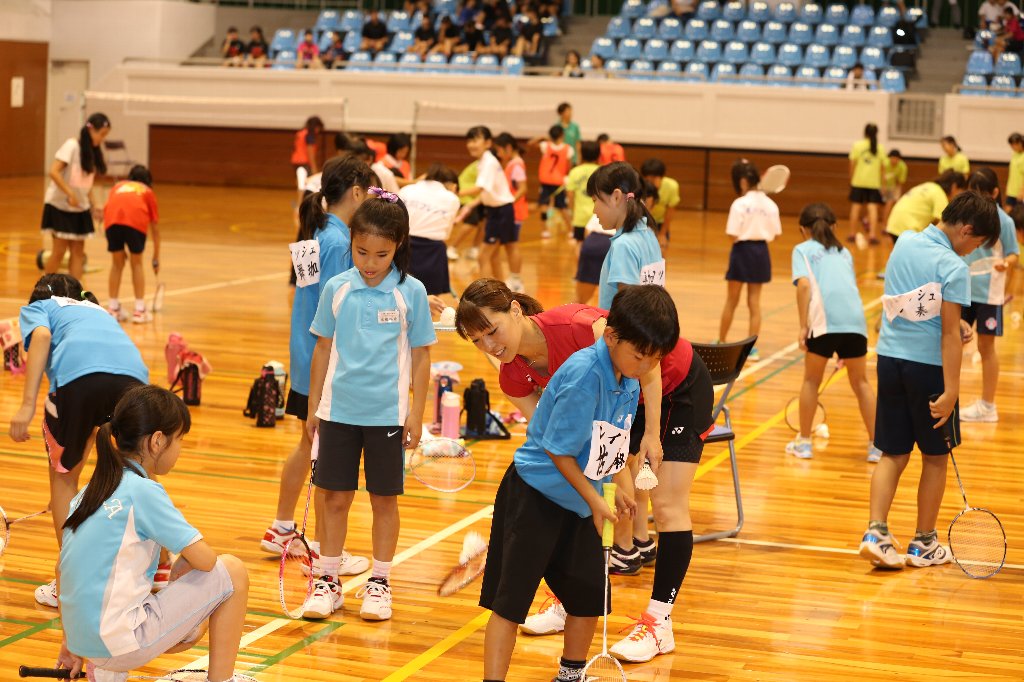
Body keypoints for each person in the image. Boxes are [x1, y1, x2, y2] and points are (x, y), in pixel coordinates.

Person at [455, 279, 713, 665]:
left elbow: (649, 365)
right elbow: (560, 444)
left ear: (515, 311)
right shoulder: (515, 375)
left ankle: (659, 621)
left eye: (493, 331)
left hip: (671, 389)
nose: (490, 345)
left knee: (667, 504)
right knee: (595, 515)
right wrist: (602, 487)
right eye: (478, 340)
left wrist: (653, 436)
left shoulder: (584, 330)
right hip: (618, 403)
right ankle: (572, 597)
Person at [54, 385, 254, 682]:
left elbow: (63, 570)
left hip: (83, 639)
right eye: (180, 440)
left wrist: (72, 641)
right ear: (158, 441)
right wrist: (183, 573)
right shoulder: (142, 491)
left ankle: (105, 668)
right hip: (122, 641)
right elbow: (208, 561)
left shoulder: (86, 493)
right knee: (233, 571)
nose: (180, 449)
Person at [304, 190, 436, 621]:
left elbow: (421, 355)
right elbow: (322, 349)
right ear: (352, 244)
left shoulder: (410, 292)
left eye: (381, 253)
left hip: (387, 416)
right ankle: (328, 580)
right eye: (361, 252)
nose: (370, 262)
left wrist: (417, 412)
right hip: (339, 411)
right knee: (335, 500)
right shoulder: (337, 288)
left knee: (384, 500)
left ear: (398, 246)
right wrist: (313, 409)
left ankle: (379, 582)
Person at [860, 191, 999, 570]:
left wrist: (958, 328)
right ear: (966, 230)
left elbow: (919, 307)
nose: (973, 252)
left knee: (893, 453)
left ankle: (876, 534)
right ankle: (924, 543)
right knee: (935, 458)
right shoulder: (954, 266)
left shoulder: (905, 241)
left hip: (889, 360)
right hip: (928, 370)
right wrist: (952, 390)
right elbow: (948, 335)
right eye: (976, 244)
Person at [262, 156, 374, 579]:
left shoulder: (317, 232)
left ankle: (281, 528)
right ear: (359, 192)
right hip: (323, 362)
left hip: (304, 354)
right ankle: (327, 555)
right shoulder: (338, 243)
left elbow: (302, 298)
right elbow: (342, 309)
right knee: (330, 460)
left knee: (308, 447)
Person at [8, 274, 148, 608]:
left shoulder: (40, 307)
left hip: (80, 380)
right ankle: (156, 563)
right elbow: (103, 391)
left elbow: (41, 336)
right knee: (139, 468)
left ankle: (70, 581)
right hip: (135, 379)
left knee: (63, 476)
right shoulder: (98, 311)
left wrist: (27, 405)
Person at [786, 204, 879, 461]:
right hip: (855, 322)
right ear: (835, 227)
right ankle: (876, 446)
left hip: (824, 323)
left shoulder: (801, 250)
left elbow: (803, 286)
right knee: (861, 383)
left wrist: (803, 325)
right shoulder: (844, 251)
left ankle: (804, 443)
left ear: (803, 230)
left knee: (811, 381)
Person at [959, 168, 1020, 423]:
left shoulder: (1003, 220)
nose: (979, 197)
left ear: (995, 193)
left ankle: (987, 406)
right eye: (974, 191)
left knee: (986, 347)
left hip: (989, 294)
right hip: (962, 290)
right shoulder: (964, 215)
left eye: (984, 192)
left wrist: (1006, 264)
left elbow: (1014, 253)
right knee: (951, 342)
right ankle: (945, 398)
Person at [717, 160, 782, 360]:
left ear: (743, 181)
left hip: (742, 251)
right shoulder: (770, 204)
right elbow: (777, 234)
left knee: (732, 299)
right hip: (762, 252)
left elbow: (732, 234)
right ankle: (752, 349)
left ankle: (721, 341)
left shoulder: (740, 204)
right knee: (754, 302)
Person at [42, 112, 111, 280]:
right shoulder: (72, 145)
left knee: (78, 252)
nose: (102, 139)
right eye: (101, 134)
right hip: (60, 206)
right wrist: (69, 194)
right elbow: (53, 172)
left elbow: (85, 185)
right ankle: (44, 292)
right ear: (90, 130)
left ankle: (75, 297)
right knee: (59, 251)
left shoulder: (92, 152)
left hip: (80, 207)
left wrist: (94, 206)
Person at [590, 163, 665, 311]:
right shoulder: (649, 234)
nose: (594, 210)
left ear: (616, 197)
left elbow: (628, 312)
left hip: (623, 333)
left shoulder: (623, 245)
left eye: (595, 201)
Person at [458, 126, 522, 289]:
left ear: (487, 143)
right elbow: (487, 191)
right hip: (497, 211)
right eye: (470, 140)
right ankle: (503, 289)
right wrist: (471, 205)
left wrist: (455, 192)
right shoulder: (484, 162)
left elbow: (480, 188)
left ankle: (487, 292)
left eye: (476, 140)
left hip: (502, 211)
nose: (472, 144)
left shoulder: (489, 162)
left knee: (484, 256)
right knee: (493, 255)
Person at [103, 165, 159, 324]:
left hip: (111, 223)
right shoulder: (147, 191)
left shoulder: (117, 186)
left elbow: (107, 210)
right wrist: (156, 257)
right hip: (135, 223)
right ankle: (140, 310)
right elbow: (155, 228)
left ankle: (113, 308)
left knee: (117, 263)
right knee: (137, 264)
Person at [400, 164, 461, 297]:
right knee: (430, 300)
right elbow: (446, 234)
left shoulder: (406, 190)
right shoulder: (452, 199)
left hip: (402, 246)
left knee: (401, 294)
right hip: (433, 251)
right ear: (452, 184)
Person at [885, 170, 966, 244]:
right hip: (907, 228)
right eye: (961, 191)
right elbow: (944, 223)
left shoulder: (929, 185)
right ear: (954, 186)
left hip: (894, 225)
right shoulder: (940, 194)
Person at [848, 123, 886, 245]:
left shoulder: (857, 145)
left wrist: (851, 178)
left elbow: (852, 163)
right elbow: (882, 168)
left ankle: (852, 234)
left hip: (858, 181)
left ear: (865, 133)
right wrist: (883, 183)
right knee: (872, 209)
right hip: (873, 183)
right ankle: (872, 235)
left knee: (856, 208)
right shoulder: (880, 148)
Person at [531, 125, 571, 237]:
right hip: (558, 181)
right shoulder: (568, 149)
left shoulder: (545, 146)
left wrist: (542, 137)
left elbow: (531, 143)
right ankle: (571, 231)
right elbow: (568, 166)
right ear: (562, 135)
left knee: (544, 206)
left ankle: (545, 230)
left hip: (546, 181)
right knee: (562, 207)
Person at [565, 140, 601, 260]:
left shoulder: (575, 172)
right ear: (598, 155)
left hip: (580, 216)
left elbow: (570, 195)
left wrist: (571, 211)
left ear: (581, 154)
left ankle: (580, 273)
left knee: (579, 243)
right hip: (599, 216)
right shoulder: (603, 171)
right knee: (598, 244)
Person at [494, 133, 529, 254]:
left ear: (508, 148)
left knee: (512, 246)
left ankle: (515, 273)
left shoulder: (516, 165)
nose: (498, 154)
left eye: (499, 150)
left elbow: (523, 188)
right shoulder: (512, 163)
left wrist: (509, 202)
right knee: (509, 245)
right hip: (512, 211)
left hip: (515, 212)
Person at [447, 160, 484, 262]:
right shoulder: (484, 164)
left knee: (484, 222)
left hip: (479, 198)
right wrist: (459, 193)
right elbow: (481, 188)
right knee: (472, 221)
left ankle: (474, 249)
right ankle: (452, 248)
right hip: (466, 196)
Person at [640, 158, 681, 249]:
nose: (650, 181)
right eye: (647, 178)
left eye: (654, 178)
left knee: (661, 250)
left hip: (659, 223)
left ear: (662, 177)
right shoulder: (639, 185)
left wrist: (662, 233)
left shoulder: (671, 186)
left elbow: (670, 211)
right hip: (641, 221)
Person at [881, 149, 908, 227]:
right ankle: (884, 224)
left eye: (896, 159)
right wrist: (883, 187)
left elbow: (900, 182)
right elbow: (881, 176)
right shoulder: (884, 163)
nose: (894, 160)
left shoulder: (902, 166)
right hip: (880, 185)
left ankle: (886, 225)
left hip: (893, 186)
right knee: (879, 205)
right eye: (892, 158)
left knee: (891, 203)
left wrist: (897, 194)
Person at [1005, 132, 1024, 209]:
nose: (1013, 147)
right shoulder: (1014, 154)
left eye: (1014, 144)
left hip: (1020, 192)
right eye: (1011, 145)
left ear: (1020, 142)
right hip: (1011, 191)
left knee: (1019, 217)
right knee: (1008, 213)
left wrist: (1022, 191)